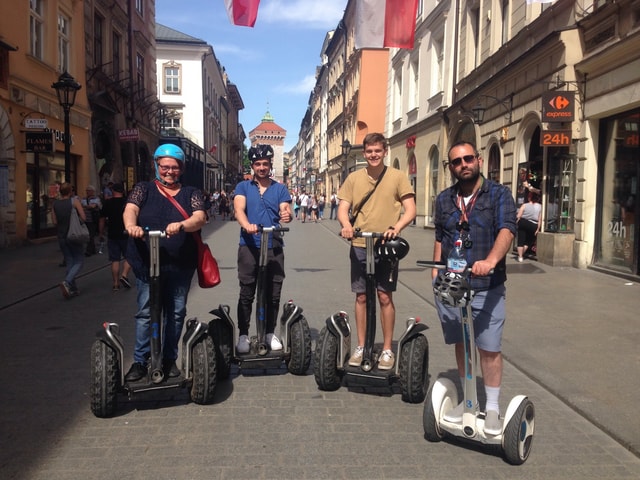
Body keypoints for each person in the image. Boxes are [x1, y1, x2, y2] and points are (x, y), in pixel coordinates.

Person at [431, 140, 517, 435]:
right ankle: (469, 400)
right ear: (451, 167)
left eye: (468, 158)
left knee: (489, 347)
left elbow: (507, 229)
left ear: (478, 160)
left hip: (486, 284)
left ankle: (491, 406)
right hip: (452, 285)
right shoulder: (444, 199)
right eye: (456, 161)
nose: (463, 164)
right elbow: (441, 237)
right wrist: (434, 270)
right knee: (462, 342)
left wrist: (491, 260)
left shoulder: (499, 194)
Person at [122, 144, 207, 382]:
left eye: (174, 167)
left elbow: (199, 217)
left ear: (181, 169)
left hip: (180, 264)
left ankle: (169, 359)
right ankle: (140, 361)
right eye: (165, 167)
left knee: (176, 312)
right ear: (157, 166)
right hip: (147, 262)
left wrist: (182, 225)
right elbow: (130, 209)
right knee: (146, 312)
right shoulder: (143, 189)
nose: (169, 171)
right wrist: (131, 225)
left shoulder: (191, 193)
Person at [337, 132, 416, 370]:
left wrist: (397, 226)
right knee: (361, 296)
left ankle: (388, 349)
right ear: (365, 153)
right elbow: (343, 208)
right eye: (369, 151)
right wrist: (347, 226)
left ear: (384, 152)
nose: (373, 155)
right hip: (360, 244)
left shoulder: (397, 177)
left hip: (386, 246)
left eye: (377, 151)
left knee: (384, 296)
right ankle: (361, 347)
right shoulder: (353, 178)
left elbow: (410, 209)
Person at [233, 144, 293, 353]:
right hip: (249, 246)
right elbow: (239, 209)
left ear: (270, 165)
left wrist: (287, 214)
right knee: (247, 292)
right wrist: (246, 224)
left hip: (273, 245)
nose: (261, 167)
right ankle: (243, 334)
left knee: (273, 293)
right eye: (257, 164)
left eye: (265, 164)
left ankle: (269, 332)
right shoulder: (243, 187)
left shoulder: (280, 188)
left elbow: (286, 209)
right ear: (253, 166)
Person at [52, 182, 86, 299]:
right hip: (73, 235)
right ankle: (67, 282)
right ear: (70, 191)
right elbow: (83, 217)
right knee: (79, 261)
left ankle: (73, 289)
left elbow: (55, 222)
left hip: (61, 236)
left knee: (70, 261)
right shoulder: (74, 202)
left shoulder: (55, 204)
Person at [99, 182, 133, 290]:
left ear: (113, 191)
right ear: (123, 191)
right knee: (130, 256)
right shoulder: (128, 203)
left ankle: (115, 284)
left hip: (112, 234)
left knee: (115, 259)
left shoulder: (108, 203)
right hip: (126, 233)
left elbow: (102, 219)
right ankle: (124, 275)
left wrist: (100, 233)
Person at [516, 191, 542, 262]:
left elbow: (518, 216)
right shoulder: (540, 207)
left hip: (523, 222)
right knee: (529, 241)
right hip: (533, 224)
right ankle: (522, 253)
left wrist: (516, 223)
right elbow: (540, 219)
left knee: (520, 240)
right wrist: (538, 229)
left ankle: (520, 256)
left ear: (529, 198)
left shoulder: (524, 205)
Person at [81, 185, 102, 256]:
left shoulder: (96, 198)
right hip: (86, 219)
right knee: (90, 235)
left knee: (91, 235)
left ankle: (89, 250)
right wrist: (88, 206)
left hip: (93, 219)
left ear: (93, 191)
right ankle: (93, 249)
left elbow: (93, 206)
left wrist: (86, 206)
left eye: (89, 191)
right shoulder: (84, 198)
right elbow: (82, 205)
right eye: (87, 190)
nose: (87, 192)